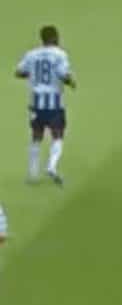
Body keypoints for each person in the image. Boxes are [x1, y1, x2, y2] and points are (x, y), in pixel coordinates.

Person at [16, 25, 74, 185]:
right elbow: (64, 74)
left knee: (36, 137)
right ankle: (51, 166)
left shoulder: (31, 54)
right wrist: (70, 82)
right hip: (54, 102)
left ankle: (32, 174)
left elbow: (19, 72)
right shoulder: (60, 54)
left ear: (42, 38)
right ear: (55, 38)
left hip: (36, 102)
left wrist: (33, 75)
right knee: (58, 136)